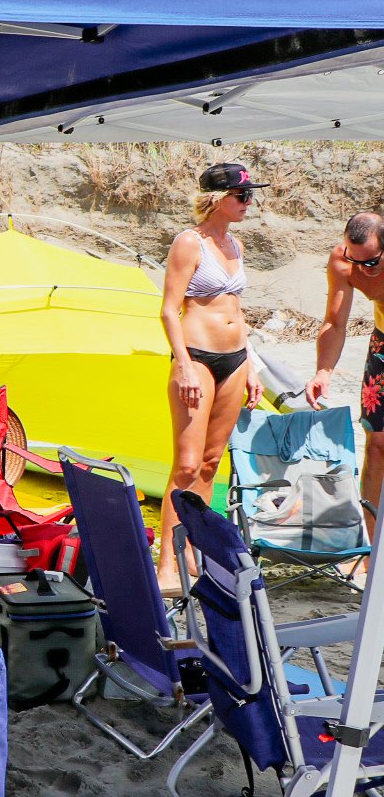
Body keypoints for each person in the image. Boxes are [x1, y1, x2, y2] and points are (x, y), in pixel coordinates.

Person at [155, 163, 266, 593]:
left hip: (236, 358)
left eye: (250, 195)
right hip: (197, 356)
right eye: (242, 196)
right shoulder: (189, 242)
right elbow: (169, 308)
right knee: (185, 464)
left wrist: (252, 363)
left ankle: (191, 553)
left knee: (210, 463)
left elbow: (236, 311)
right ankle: (167, 562)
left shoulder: (235, 243)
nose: (249, 202)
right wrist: (181, 361)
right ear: (218, 198)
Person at [307, 211, 384, 531]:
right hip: (383, 347)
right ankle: (372, 547)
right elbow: (335, 322)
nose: (362, 271)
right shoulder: (342, 262)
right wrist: (324, 370)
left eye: (371, 263)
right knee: (377, 444)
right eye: (356, 261)